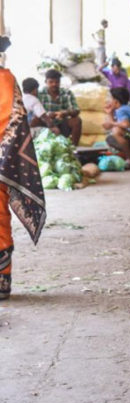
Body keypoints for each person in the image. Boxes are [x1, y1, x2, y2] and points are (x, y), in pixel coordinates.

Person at [0, 36, 46, 300]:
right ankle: (2, 281)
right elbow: (17, 120)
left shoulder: (6, 79)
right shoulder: (7, 79)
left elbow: (16, 119)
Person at [38, 69, 82, 146]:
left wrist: (65, 113)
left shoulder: (66, 93)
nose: (54, 84)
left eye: (57, 82)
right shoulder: (40, 94)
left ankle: (73, 149)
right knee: (35, 121)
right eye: (51, 82)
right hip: (46, 124)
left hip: (62, 123)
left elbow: (76, 110)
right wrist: (48, 115)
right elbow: (35, 112)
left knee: (76, 120)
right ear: (46, 82)